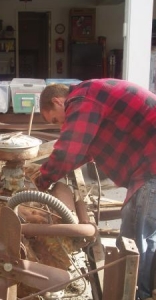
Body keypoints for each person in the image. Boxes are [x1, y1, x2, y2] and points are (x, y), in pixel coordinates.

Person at [34, 78, 156, 300]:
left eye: (55, 119)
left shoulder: (82, 99)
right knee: (132, 234)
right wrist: (51, 173)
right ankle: (131, 289)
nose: (61, 125)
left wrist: (42, 180)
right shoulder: (92, 94)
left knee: (140, 237)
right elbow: (83, 152)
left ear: (58, 101)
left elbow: (70, 149)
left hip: (152, 167)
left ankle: (140, 294)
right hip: (146, 166)